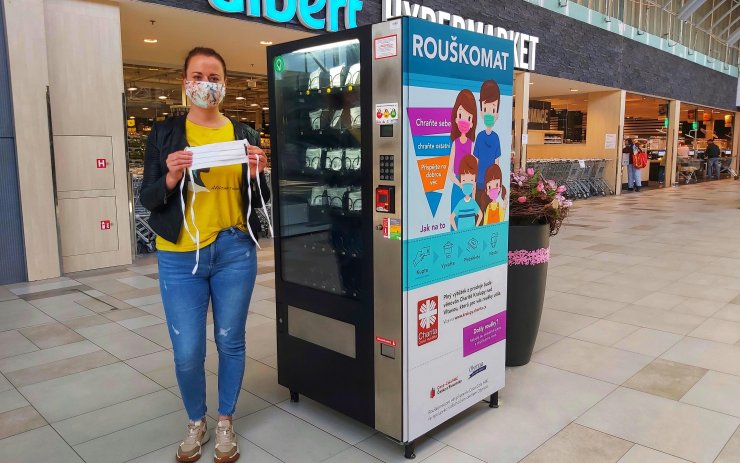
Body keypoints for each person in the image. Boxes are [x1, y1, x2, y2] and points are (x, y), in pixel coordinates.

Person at [140, 47, 269, 463]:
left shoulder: (244, 134)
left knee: (231, 339)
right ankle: (197, 420)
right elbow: (149, 196)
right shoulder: (164, 134)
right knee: (188, 349)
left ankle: (226, 420)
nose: (205, 84)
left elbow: (259, 199)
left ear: (225, 85)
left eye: (213, 76)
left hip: (235, 250)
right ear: (185, 82)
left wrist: (258, 175)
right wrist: (172, 176)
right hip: (180, 255)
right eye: (197, 75)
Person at [473, 80, 502, 209]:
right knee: (479, 211)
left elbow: (497, 162)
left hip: (492, 184)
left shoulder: (496, 138)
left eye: (493, 109)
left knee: (490, 213)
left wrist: (498, 183)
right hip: (479, 183)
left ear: (497, 114)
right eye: (485, 109)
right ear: (481, 112)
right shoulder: (479, 136)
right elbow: (475, 160)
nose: (489, 113)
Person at [448, 89, 477, 215]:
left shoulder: (472, 145)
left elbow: (475, 171)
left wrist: (472, 191)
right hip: (457, 186)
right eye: (460, 116)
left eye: (468, 117)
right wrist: (459, 184)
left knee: (468, 218)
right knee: (455, 218)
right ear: (455, 118)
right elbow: (450, 173)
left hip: (469, 185)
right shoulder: (455, 143)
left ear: (472, 123)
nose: (464, 121)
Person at [450, 155, 482, 231]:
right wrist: (456, 231)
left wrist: (476, 227)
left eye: (471, 180)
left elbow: (480, 215)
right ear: (460, 182)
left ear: (474, 182)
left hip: (471, 234)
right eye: (464, 180)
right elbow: (451, 218)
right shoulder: (460, 203)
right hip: (462, 234)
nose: (467, 183)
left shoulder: (473, 203)